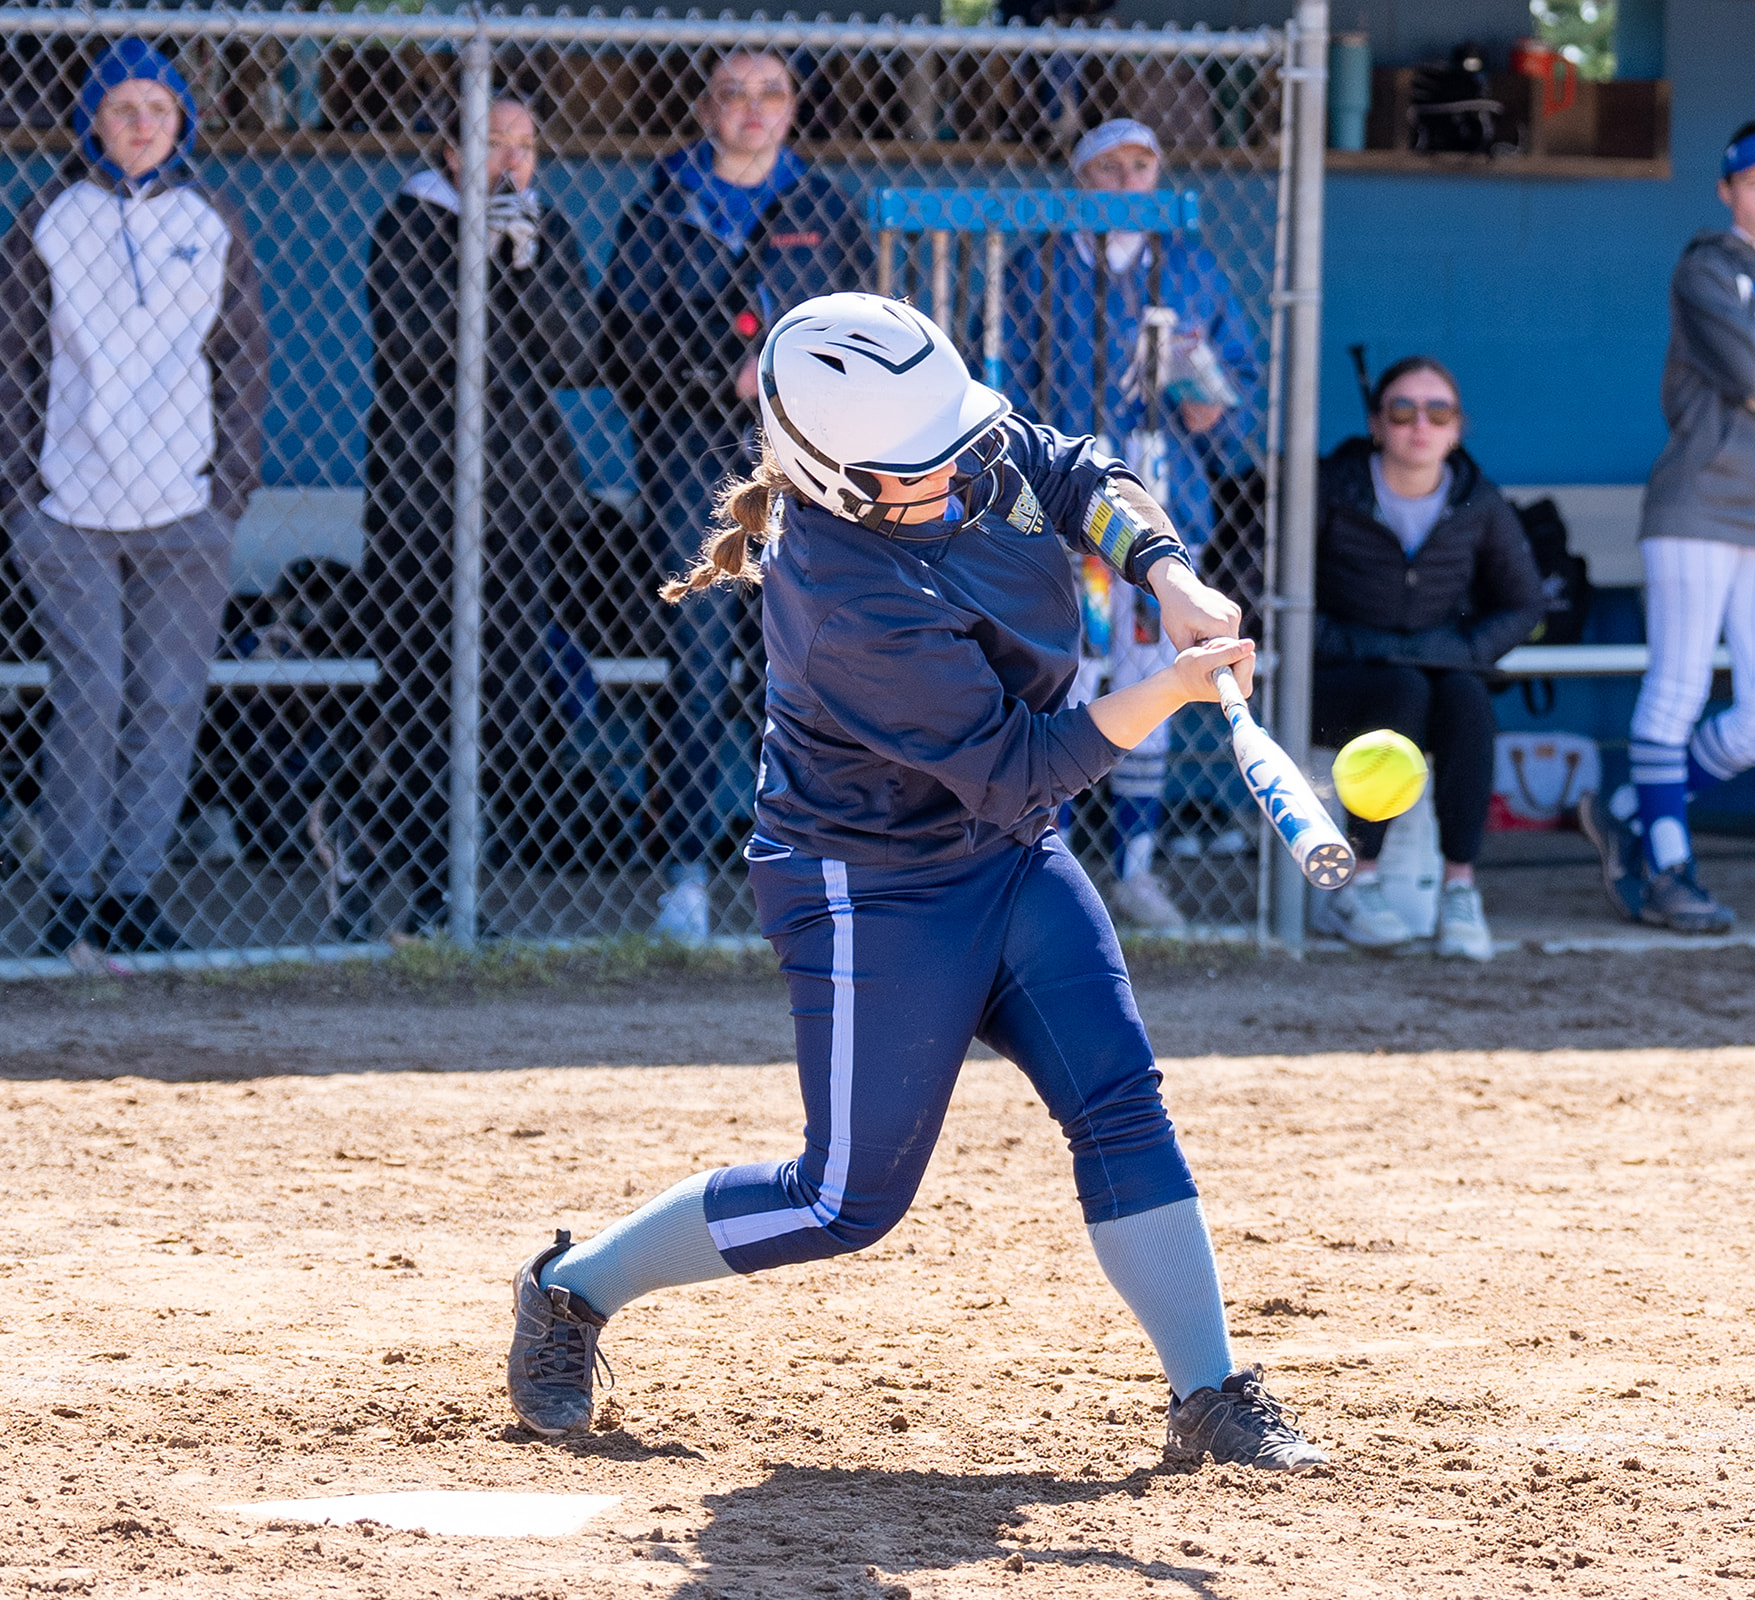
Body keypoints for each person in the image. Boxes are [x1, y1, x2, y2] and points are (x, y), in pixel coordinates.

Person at [504, 292, 1327, 1473]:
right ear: (837, 481)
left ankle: (1210, 1390)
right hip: (869, 889)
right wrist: (1170, 692)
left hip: (1007, 855)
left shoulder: (953, 448)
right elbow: (1019, 765)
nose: (959, 475)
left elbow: (1073, 468)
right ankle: (572, 1289)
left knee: (1120, 1100)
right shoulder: (840, 597)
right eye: (920, 471)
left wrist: (1165, 570)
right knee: (847, 1198)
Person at [0, 40, 267, 955]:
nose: (143, 125)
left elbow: (243, 362)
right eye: (123, 110)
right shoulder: (49, 218)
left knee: (166, 698)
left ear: (182, 120)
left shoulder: (211, 217)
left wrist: (225, 490)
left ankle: (132, 892)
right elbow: (11, 362)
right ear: (93, 125)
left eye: (160, 109)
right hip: (67, 507)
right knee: (92, 692)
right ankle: (71, 895)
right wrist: (19, 493)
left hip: (184, 504)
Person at [600, 50, 858, 946]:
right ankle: (684, 877)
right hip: (693, 457)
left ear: (794, 109)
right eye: (734, 95)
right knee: (698, 659)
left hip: (814, 460)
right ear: (707, 109)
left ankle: (801, 864)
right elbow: (618, 342)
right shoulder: (663, 205)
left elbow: (864, 336)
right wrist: (720, 370)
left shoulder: (826, 207)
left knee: (808, 660)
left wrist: (789, 373)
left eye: (772, 94)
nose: (753, 110)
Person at [1578, 121, 1755, 936]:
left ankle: (1629, 806)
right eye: (1754, 184)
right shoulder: (1706, 267)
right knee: (1679, 688)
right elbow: (1746, 371)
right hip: (1696, 507)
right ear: (1728, 191)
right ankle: (1668, 865)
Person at [1003, 117, 1264, 933]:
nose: (1124, 179)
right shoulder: (1037, 266)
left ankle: (1138, 866)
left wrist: (1201, 380)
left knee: (1150, 676)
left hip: (1158, 507)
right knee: (1069, 678)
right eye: (1106, 166)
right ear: (1079, 179)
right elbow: (1001, 379)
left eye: (1141, 164)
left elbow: (1235, 407)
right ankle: (1062, 865)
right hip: (1060, 513)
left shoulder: (1191, 266)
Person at [357, 96, 595, 941]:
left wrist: (522, 261)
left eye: (526, 144)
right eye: (494, 142)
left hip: (518, 498)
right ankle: (431, 895)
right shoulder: (410, 223)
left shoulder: (544, 231)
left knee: (508, 698)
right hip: (425, 500)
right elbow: (421, 348)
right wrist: (481, 256)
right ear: (453, 152)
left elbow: (572, 356)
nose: (511, 161)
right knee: (427, 693)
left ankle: (376, 845)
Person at [1311, 357, 1544, 961]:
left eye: (1438, 412)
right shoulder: (1330, 490)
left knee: (1465, 698)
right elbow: (1267, 594)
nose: (1421, 425)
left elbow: (1524, 604)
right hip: (1333, 680)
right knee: (1403, 691)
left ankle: (1460, 887)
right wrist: (1364, 647)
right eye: (1403, 411)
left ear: (1457, 427)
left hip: (1436, 672)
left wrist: (1464, 653)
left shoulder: (1477, 500)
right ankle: (1356, 881)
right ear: (1376, 423)